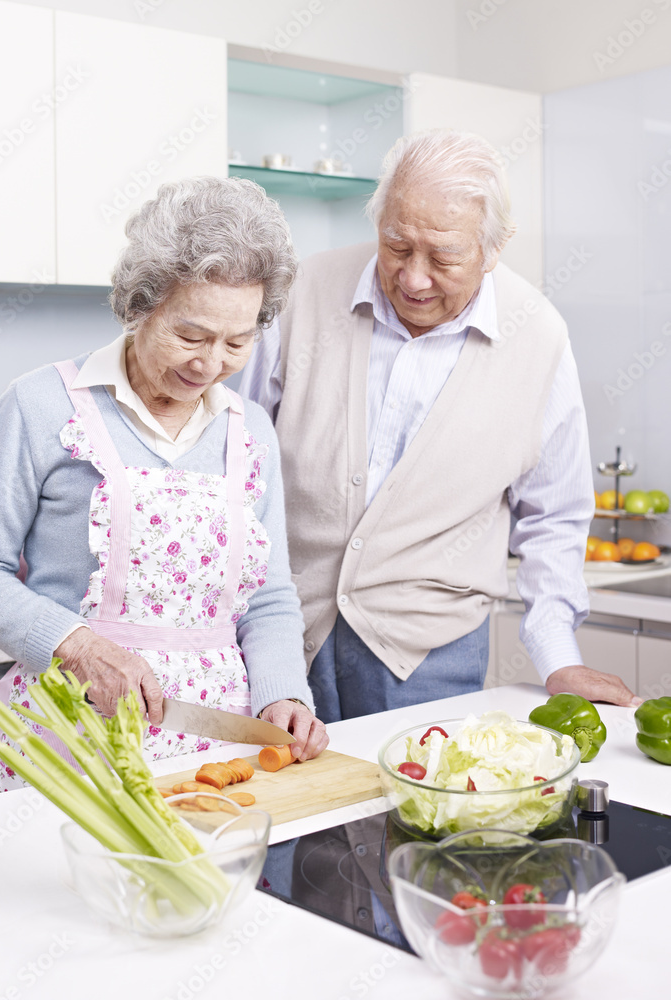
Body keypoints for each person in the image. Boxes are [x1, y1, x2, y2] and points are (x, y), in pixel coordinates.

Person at [239, 128, 641, 723]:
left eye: (444, 258)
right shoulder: (303, 292)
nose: (413, 278)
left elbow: (553, 515)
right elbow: (235, 458)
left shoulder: (539, 337)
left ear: (495, 247)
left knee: (422, 813)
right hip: (281, 637)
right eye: (396, 246)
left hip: (430, 656)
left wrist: (557, 654)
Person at [0, 176, 329, 793]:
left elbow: (268, 595)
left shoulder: (250, 427)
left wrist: (283, 692)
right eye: (190, 335)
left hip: (218, 748)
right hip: (74, 731)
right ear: (141, 303)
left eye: (238, 342)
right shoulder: (41, 405)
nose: (209, 365)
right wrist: (77, 646)